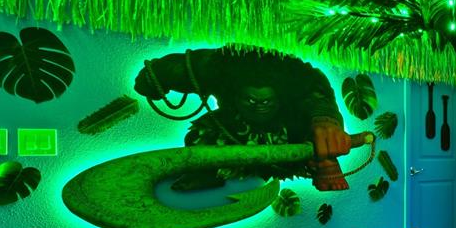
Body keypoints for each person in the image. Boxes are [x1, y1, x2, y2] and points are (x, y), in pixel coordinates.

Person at [133, 46, 354, 191]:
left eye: (266, 101)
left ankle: (325, 165)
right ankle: (204, 173)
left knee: (318, 137)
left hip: (286, 130)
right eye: (251, 100)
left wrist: (326, 124)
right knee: (201, 132)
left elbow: (318, 96)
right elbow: (174, 69)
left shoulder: (299, 76)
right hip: (231, 127)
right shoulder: (217, 66)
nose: (259, 106)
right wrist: (152, 79)